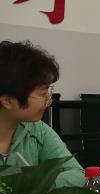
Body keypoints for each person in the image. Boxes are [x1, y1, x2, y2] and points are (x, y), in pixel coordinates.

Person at [0, 40, 83, 186]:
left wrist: (33, 184)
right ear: (7, 100)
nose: (48, 99)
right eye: (42, 93)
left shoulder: (38, 130)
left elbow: (77, 175)